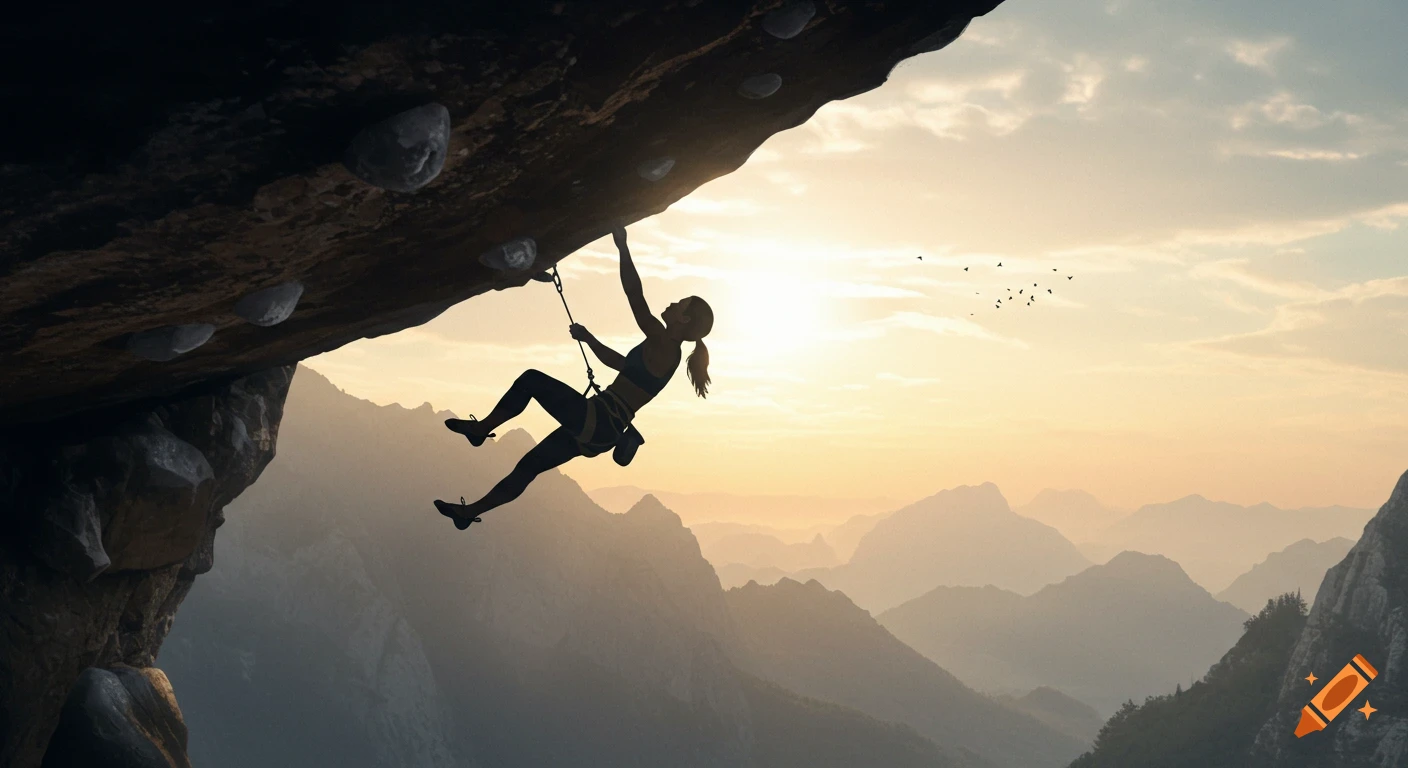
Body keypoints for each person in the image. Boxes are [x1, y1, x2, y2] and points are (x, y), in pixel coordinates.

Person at [433, 227, 713, 529]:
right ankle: (467, 513)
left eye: (679, 304)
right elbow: (620, 364)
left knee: (530, 380)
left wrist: (622, 246)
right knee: (529, 466)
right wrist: (589, 338)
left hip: (596, 418)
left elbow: (635, 296)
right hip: (600, 431)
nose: (672, 304)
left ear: (683, 319)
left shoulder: (663, 341)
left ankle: (482, 429)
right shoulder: (664, 353)